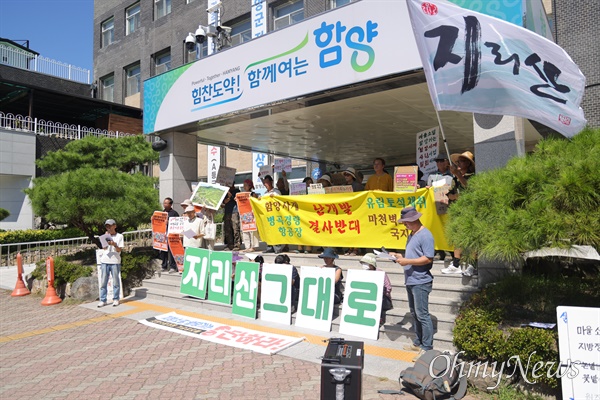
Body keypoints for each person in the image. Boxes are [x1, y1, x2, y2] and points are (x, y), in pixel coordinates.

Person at [390, 207, 435, 361]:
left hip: (421, 280)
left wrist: (407, 261)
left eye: (406, 222)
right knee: (415, 313)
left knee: (422, 314)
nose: (404, 225)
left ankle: (427, 347)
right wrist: (399, 256)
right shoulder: (412, 234)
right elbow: (414, 255)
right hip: (411, 279)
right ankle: (418, 342)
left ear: (413, 220)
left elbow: (428, 258)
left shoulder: (426, 235)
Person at [443, 151, 476, 276]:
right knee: (457, 236)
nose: (459, 163)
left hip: (469, 211)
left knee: (471, 238)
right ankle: (456, 264)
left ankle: (472, 265)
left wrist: (458, 175)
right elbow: (451, 193)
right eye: (458, 161)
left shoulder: (473, 175)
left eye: (461, 161)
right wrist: (452, 196)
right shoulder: (455, 177)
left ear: (468, 163)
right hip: (457, 210)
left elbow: (469, 187)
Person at [359, 253, 392, 328]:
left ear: (371, 264)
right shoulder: (362, 274)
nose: (364, 265)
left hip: (383, 299)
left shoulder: (380, 273)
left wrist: (381, 291)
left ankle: (379, 319)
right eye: (363, 263)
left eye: (365, 263)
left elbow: (388, 288)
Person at [98, 219, 124, 308]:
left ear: (115, 226)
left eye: (110, 225)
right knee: (103, 281)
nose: (109, 228)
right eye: (107, 226)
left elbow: (119, 250)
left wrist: (114, 244)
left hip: (115, 261)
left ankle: (116, 299)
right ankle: (103, 300)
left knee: (116, 281)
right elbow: (104, 248)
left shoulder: (120, 236)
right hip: (105, 261)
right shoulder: (105, 236)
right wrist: (105, 238)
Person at [261, 175, 286, 254]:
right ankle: (269, 247)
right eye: (264, 183)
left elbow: (280, 201)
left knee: (276, 231)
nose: (265, 184)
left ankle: (277, 247)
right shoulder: (265, 193)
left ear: (271, 182)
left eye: (267, 182)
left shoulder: (276, 191)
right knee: (269, 231)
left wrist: (273, 198)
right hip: (268, 216)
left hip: (275, 215)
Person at [344, 167, 364, 256]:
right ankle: (349, 248)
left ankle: (355, 249)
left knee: (355, 230)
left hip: (356, 211)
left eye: (348, 175)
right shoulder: (343, 186)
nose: (346, 176)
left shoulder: (358, 186)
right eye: (345, 175)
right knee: (348, 231)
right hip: (347, 211)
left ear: (352, 176)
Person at [240, 179, 261, 252]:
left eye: (245, 185)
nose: (244, 187)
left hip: (251, 214)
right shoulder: (241, 195)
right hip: (244, 214)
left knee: (252, 230)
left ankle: (253, 246)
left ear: (249, 186)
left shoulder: (253, 194)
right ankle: (247, 246)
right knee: (245, 230)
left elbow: (257, 201)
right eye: (244, 185)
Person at [160, 197, 179, 273]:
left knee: (171, 251)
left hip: (171, 235)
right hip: (163, 235)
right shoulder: (162, 212)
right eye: (164, 203)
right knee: (163, 251)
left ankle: (173, 267)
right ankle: (164, 266)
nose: (164, 204)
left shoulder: (174, 213)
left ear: (170, 204)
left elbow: (177, 224)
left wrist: (169, 222)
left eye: (166, 203)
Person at [295, 177, 313, 254]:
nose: (309, 184)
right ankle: (300, 247)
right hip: (301, 214)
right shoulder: (299, 193)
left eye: (311, 183)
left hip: (310, 214)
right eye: (307, 183)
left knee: (309, 231)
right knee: (300, 230)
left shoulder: (315, 192)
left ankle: (308, 248)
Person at [222, 184, 242, 251]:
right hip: (227, 211)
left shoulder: (236, 191)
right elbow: (224, 202)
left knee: (235, 227)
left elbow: (236, 199)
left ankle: (237, 244)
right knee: (227, 228)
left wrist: (230, 195)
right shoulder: (224, 192)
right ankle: (230, 244)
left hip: (234, 211)